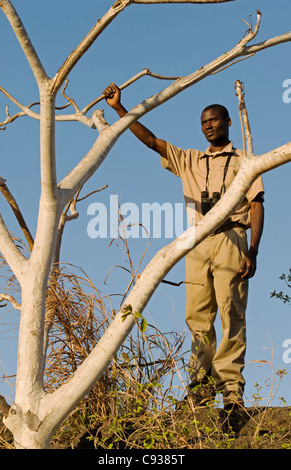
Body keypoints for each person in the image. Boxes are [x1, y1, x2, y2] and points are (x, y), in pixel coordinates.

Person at [103, 83, 264, 410]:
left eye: (215, 120)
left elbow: (257, 204)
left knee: (231, 311)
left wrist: (253, 250)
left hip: (232, 238)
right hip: (198, 241)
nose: (209, 125)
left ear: (228, 122)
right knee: (197, 317)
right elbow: (151, 141)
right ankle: (199, 392)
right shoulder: (190, 159)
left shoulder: (245, 159)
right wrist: (121, 109)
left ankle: (232, 391)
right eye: (204, 122)